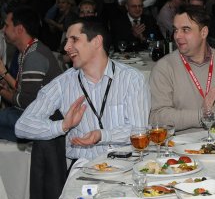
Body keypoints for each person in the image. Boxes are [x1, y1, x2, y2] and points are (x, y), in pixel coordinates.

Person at [15, 18, 149, 161]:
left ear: (96, 41)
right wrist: (62, 126)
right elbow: (22, 126)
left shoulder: (131, 79)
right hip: (84, 168)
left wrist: (102, 135)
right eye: (67, 41)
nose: (66, 47)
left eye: (74, 39)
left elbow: (139, 130)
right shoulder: (63, 83)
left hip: (127, 163)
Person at [149, 5, 215, 132]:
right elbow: (156, 117)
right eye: (175, 30)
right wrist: (202, 115)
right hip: (183, 143)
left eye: (185, 30)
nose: (177, 36)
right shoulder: (164, 68)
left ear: (203, 32)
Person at [0, 7, 62, 141]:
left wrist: (2, 91)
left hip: (45, 120)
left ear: (19, 29)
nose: (3, 30)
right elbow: (24, 91)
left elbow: (26, 102)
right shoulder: (29, 50)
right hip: (37, 114)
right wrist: (5, 79)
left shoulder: (34, 56)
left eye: (6, 25)